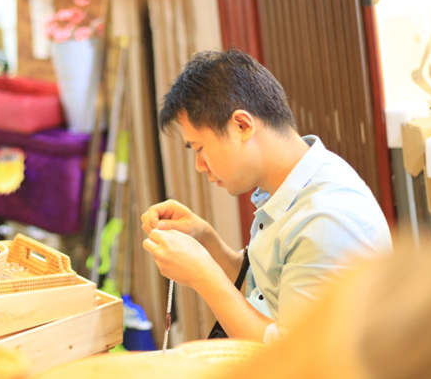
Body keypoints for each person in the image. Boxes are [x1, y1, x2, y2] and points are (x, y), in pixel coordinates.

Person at [141, 49, 392, 342]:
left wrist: (202, 275)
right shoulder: (291, 185)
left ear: (242, 126)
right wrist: (207, 241)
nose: (200, 166)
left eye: (199, 148)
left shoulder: (327, 218)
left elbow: (298, 358)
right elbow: (268, 288)